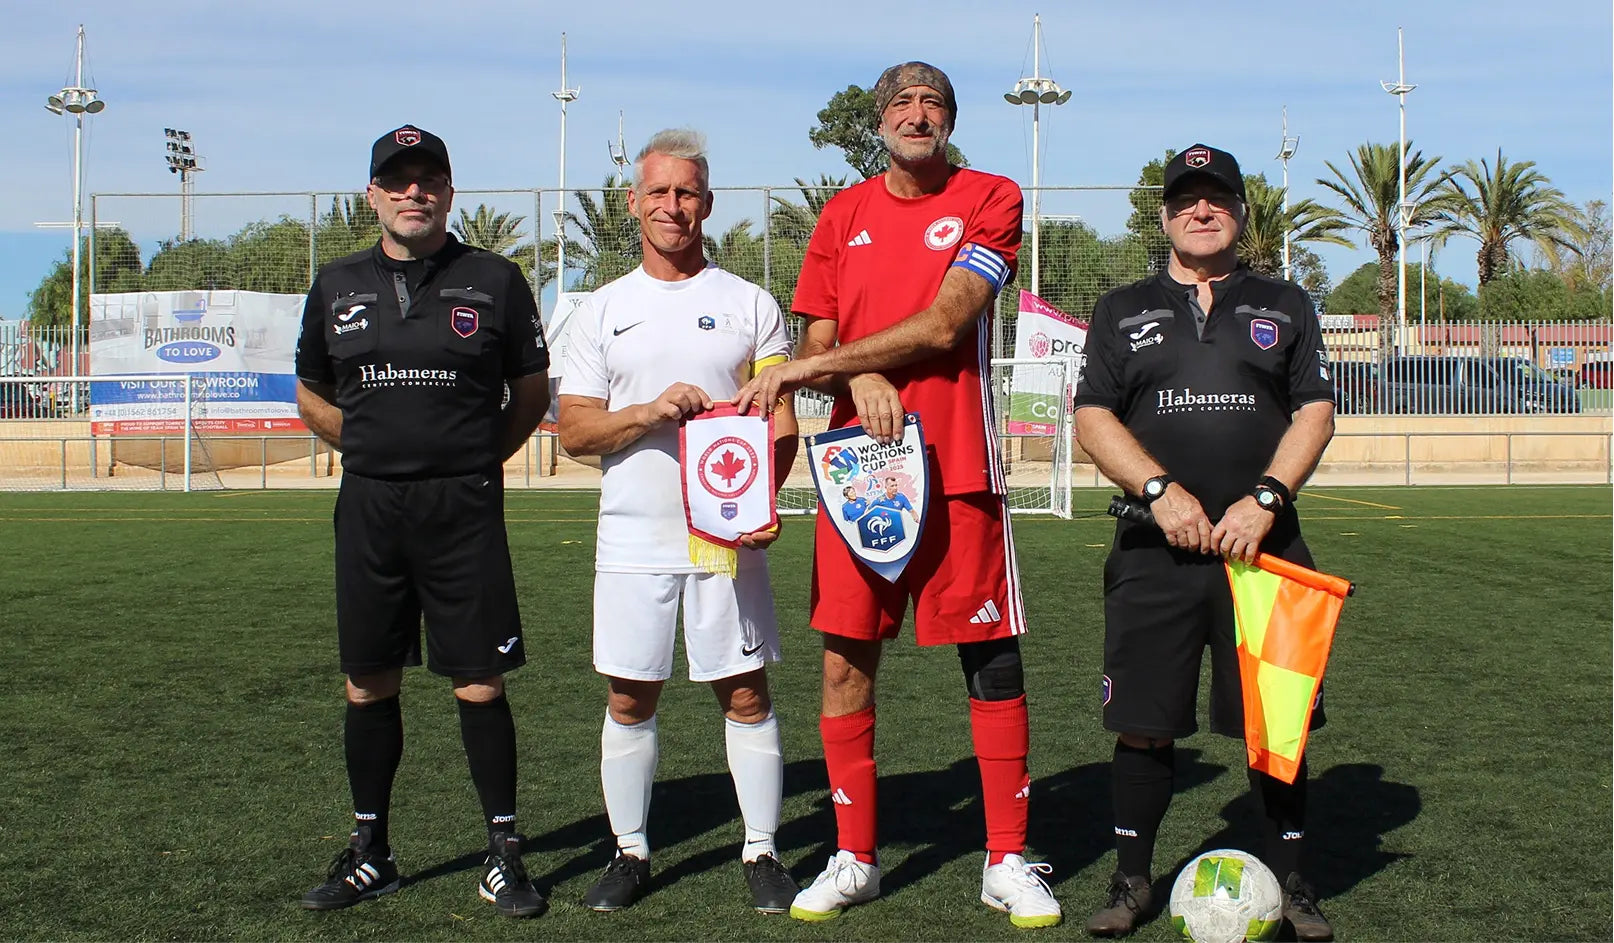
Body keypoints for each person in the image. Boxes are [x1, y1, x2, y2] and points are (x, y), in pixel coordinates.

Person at [735, 62, 1061, 928]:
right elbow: (819, 329)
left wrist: (822, 367)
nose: (919, 115)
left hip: (958, 467)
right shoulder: (841, 215)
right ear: (880, 120)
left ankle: (1005, 857)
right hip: (857, 471)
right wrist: (861, 370)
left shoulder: (992, 196)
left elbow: (951, 319)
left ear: (950, 120)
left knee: (989, 656)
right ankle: (855, 857)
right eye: (903, 104)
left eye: (934, 104)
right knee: (844, 660)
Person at [1071, 143, 1337, 940]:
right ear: (1165, 215)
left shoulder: (1287, 302)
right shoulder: (1121, 308)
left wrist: (1265, 498)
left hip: (1269, 551)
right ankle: (1131, 881)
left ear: (1240, 211)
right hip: (1156, 551)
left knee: (1275, 725)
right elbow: (1092, 417)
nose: (1201, 209)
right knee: (1144, 722)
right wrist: (1159, 491)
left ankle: (1294, 883)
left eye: (1217, 196)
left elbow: (1315, 411)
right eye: (1186, 198)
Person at [293, 125, 551, 918]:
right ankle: (373, 850)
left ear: (449, 188)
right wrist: (372, 446)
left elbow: (532, 393)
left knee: (478, 678)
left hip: (462, 507)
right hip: (370, 507)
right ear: (373, 193)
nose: (414, 192)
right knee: (367, 680)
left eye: (427, 178)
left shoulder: (495, 278)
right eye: (396, 180)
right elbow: (309, 391)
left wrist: (471, 455)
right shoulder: (336, 284)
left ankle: (503, 852)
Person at [556, 128, 801, 915]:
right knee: (630, 695)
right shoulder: (602, 310)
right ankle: (630, 849)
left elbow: (782, 420)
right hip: (632, 534)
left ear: (707, 203)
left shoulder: (749, 304)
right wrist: (647, 412)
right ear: (634, 203)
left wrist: (762, 500)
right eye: (658, 192)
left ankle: (762, 848)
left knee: (744, 689)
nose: (673, 206)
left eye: (686, 192)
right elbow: (577, 432)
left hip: (726, 536)